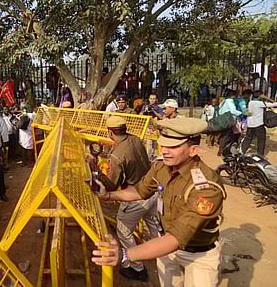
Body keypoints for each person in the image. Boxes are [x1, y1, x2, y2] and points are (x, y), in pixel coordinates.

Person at [92, 118, 226, 287]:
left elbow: (176, 238)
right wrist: (109, 195)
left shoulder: (205, 188)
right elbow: (140, 191)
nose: (166, 151)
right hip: (166, 249)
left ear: (193, 150)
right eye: (164, 145)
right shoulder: (162, 167)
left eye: (174, 147)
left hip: (198, 256)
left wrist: (125, 254)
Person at [89, 116, 155, 281]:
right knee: (155, 227)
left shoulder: (117, 157)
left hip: (134, 196)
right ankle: (168, 256)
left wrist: (93, 166)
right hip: (152, 191)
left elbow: (111, 184)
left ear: (110, 132)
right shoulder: (136, 139)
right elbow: (125, 152)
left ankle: (137, 268)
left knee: (124, 231)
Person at [241, 91, 277, 156]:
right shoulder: (260, 103)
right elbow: (276, 104)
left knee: (248, 139)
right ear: (260, 96)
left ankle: (241, 152)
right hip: (259, 125)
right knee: (261, 140)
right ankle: (260, 155)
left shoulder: (251, 102)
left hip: (250, 125)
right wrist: (267, 98)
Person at [218, 89, 243, 156]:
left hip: (223, 119)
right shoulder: (230, 101)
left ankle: (222, 150)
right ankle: (224, 150)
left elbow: (220, 111)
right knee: (228, 135)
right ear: (232, 95)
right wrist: (242, 113)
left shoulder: (223, 101)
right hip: (228, 120)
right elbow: (233, 111)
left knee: (224, 135)